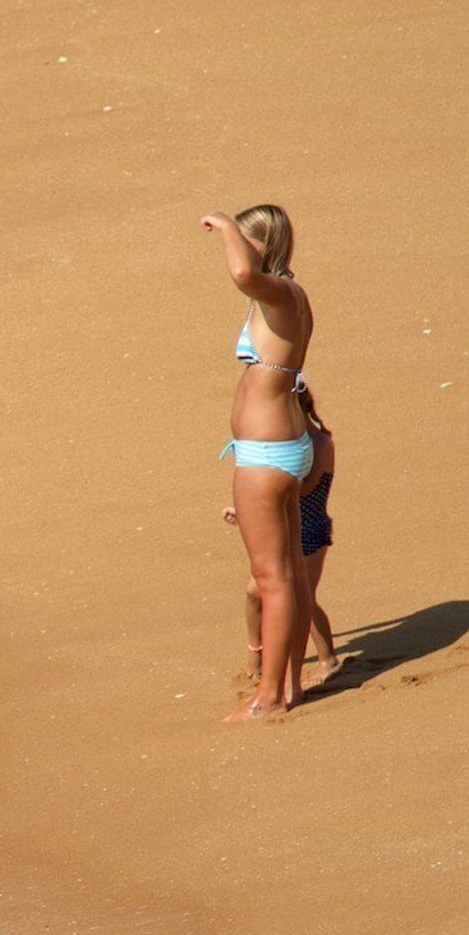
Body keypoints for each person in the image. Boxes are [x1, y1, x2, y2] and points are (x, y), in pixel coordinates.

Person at [204, 203, 319, 718]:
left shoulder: (276, 291)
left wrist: (226, 225)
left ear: (259, 243)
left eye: (242, 240)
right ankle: (289, 685)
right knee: (288, 574)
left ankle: (269, 699)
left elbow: (241, 273)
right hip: (280, 447)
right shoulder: (288, 294)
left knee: (272, 578)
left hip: (267, 452)